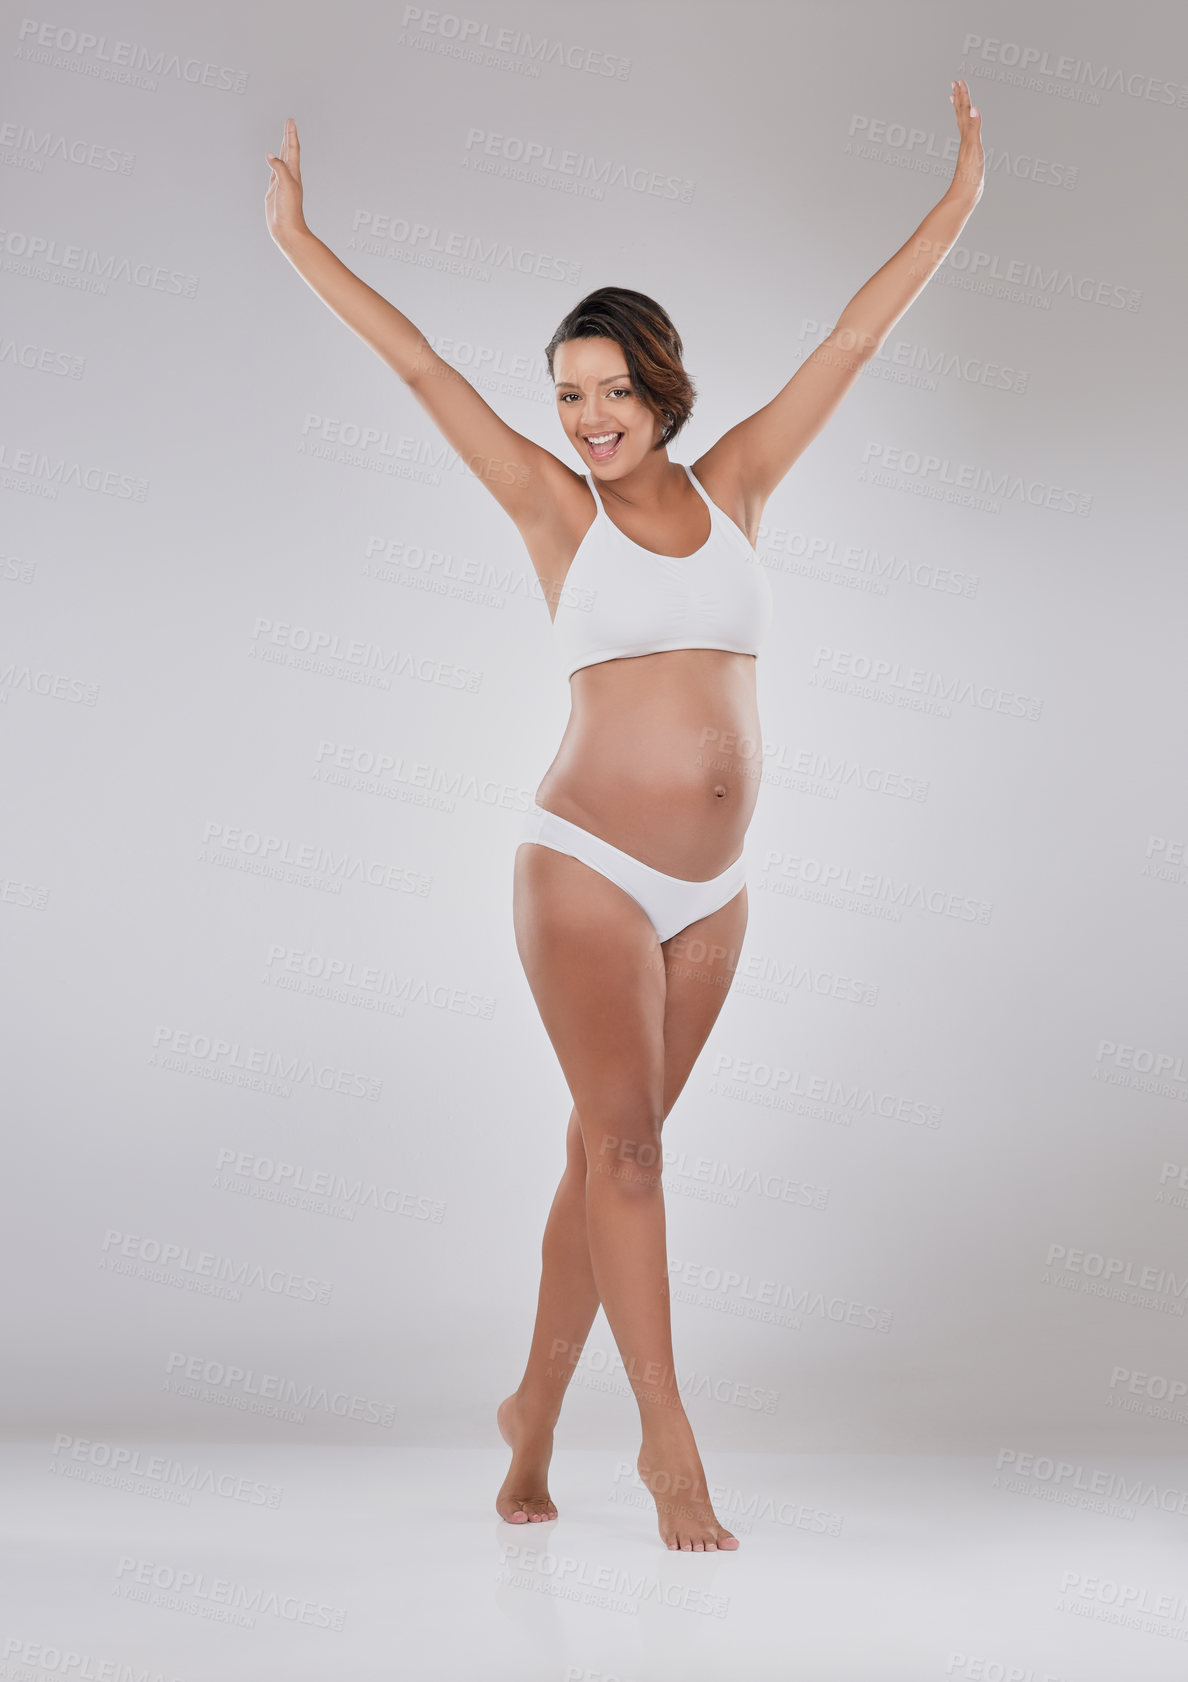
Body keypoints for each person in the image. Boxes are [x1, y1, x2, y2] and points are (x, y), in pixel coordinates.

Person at [263, 82, 985, 1552]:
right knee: (634, 1153)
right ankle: (667, 1443)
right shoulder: (551, 510)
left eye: (612, 392)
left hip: (713, 897)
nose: (589, 420)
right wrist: (296, 234)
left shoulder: (737, 488)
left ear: (663, 390)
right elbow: (414, 367)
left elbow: (854, 335)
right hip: (584, 868)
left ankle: (530, 1410)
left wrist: (963, 199)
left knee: (607, 1149)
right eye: (569, 394)